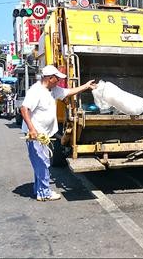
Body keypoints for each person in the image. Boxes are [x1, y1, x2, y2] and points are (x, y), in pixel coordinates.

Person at [20, 65, 97, 201]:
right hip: (37, 135)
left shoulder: (52, 90)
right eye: (57, 79)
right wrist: (32, 129)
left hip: (45, 135)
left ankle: (39, 190)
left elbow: (68, 92)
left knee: (40, 163)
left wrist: (86, 86)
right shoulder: (36, 91)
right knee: (42, 163)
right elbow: (24, 109)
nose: (59, 81)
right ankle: (44, 193)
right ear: (50, 78)